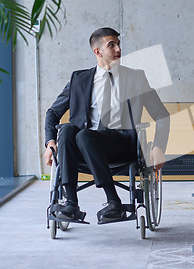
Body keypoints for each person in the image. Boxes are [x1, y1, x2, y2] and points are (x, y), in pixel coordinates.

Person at [44, 27, 170, 224]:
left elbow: (161, 114)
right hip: (81, 148)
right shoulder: (79, 80)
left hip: (120, 145)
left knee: (84, 135)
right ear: (98, 51)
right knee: (69, 129)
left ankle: (114, 201)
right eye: (112, 45)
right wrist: (50, 142)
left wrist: (159, 146)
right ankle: (71, 203)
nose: (118, 49)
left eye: (119, 44)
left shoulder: (135, 78)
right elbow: (52, 113)